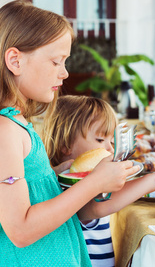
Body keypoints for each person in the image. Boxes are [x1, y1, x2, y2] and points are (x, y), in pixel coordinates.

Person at [0, 0, 155, 266]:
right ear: (15, 60)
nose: (65, 73)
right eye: (56, 61)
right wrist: (94, 183)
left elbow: (83, 209)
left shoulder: (16, 125)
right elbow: (21, 230)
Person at [43, 95, 121, 266]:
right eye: (100, 140)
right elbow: (99, 207)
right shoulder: (66, 187)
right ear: (66, 144)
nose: (110, 148)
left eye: (112, 141)